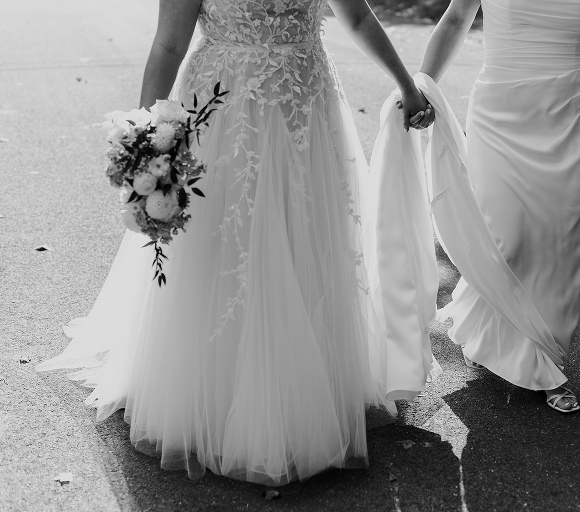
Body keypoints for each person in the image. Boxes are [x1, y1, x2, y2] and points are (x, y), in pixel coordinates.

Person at [37, 0, 433, 485]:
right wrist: (146, 141)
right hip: (226, 112)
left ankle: (306, 391)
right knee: (229, 242)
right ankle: (219, 399)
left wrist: (406, 85)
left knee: (304, 233)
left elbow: (357, 16)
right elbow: (168, 42)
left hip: (305, 106)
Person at [419, 0, 580, 412]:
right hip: (501, 114)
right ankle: (489, 329)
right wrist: (422, 85)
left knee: (561, 244)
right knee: (507, 236)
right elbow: (454, 19)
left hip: (573, 115)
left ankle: (546, 362)